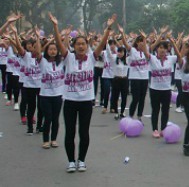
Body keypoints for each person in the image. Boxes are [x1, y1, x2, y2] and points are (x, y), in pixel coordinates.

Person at [49, 12, 116, 173]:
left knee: (84, 132)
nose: (80, 46)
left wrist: (108, 28)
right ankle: (71, 161)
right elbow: (59, 44)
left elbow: (102, 44)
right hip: (70, 101)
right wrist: (56, 26)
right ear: (73, 46)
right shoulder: (68, 58)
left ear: (87, 46)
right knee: (70, 132)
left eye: (83, 44)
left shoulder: (92, 57)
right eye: (78, 44)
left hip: (86, 101)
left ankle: (82, 160)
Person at [142, 28, 180, 138]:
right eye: (160, 48)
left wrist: (173, 43)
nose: (162, 50)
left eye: (164, 48)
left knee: (165, 111)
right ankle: (155, 129)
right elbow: (146, 51)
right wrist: (148, 39)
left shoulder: (171, 59)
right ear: (157, 49)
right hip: (154, 89)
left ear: (167, 50)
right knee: (155, 110)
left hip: (166, 90)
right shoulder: (152, 59)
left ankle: (163, 129)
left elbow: (179, 56)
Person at [35, 30, 65, 149]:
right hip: (45, 95)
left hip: (58, 95)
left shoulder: (61, 63)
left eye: (54, 49)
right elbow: (37, 51)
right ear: (47, 51)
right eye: (50, 49)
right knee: (47, 118)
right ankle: (46, 140)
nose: (52, 51)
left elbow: (65, 48)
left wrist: (66, 36)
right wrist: (38, 38)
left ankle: (54, 139)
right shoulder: (43, 62)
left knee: (55, 119)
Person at [122, 33, 150, 122]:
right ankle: (130, 115)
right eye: (140, 41)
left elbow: (155, 43)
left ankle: (139, 116)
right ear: (137, 43)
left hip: (144, 78)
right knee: (136, 98)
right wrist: (122, 33)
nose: (142, 43)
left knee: (142, 98)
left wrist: (146, 38)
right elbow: (125, 44)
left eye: (143, 42)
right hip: (135, 78)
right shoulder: (132, 50)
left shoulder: (147, 50)